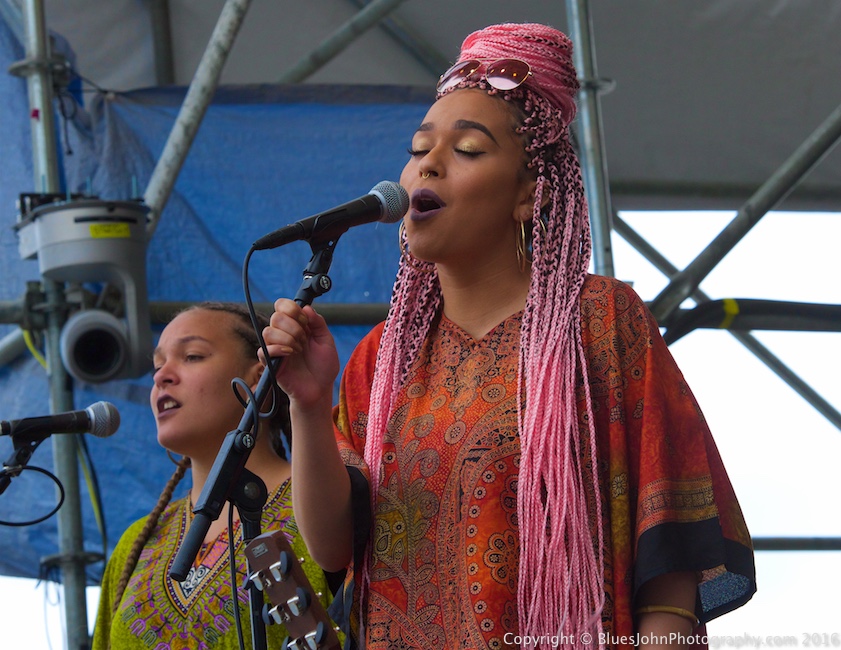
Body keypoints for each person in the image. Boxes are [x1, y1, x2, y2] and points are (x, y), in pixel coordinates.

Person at [262, 23, 756, 650]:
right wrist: (308, 406)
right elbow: (333, 547)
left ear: (529, 193)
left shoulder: (599, 320)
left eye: (467, 149)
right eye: (418, 148)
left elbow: (672, 540)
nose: (429, 164)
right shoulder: (380, 360)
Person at [92, 302, 339, 649]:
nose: (162, 376)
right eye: (158, 365)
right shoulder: (138, 542)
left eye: (192, 356)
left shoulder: (326, 506)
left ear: (259, 377)